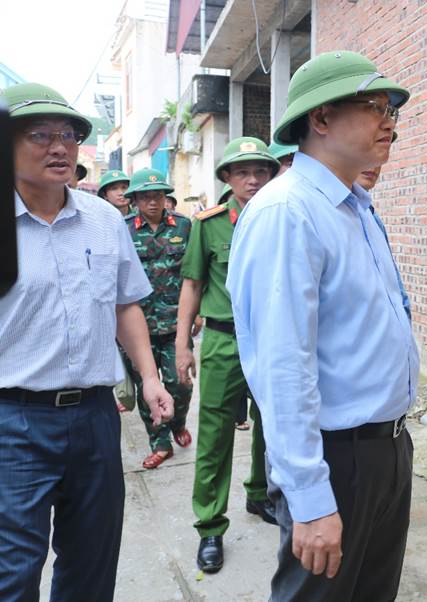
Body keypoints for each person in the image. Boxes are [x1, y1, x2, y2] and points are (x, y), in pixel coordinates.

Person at [228, 50, 419, 601]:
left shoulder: (354, 206)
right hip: (335, 456)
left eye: (391, 110)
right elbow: (283, 367)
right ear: (321, 118)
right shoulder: (288, 211)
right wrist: (311, 500)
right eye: (375, 106)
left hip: (385, 448)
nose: (389, 122)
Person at [0, 82, 174, 601]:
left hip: (96, 419)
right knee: (13, 573)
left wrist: (149, 377)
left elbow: (124, 303)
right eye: (40, 135)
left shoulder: (103, 220)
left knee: (92, 564)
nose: (59, 147)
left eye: (69, 136)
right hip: (15, 423)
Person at [175, 136, 280, 573]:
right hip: (223, 340)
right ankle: (210, 525)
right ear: (228, 178)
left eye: (260, 171)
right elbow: (193, 283)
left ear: (272, 175)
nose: (252, 179)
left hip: (273, 339)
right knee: (215, 434)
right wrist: (182, 344)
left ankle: (261, 494)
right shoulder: (210, 224)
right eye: (242, 172)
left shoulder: (283, 217)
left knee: (271, 425)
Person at [123, 168, 194, 469]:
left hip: (176, 323)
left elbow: (194, 273)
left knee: (181, 383)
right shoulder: (124, 229)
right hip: (137, 327)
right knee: (146, 387)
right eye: (146, 197)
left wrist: (196, 314)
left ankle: (177, 421)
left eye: (158, 196)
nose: (153, 202)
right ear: (135, 200)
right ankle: (160, 442)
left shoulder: (184, 225)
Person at [356, 164, 411, 321]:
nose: (373, 165)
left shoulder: (373, 217)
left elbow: (396, 289)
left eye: (379, 157)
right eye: (364, 153)